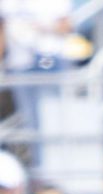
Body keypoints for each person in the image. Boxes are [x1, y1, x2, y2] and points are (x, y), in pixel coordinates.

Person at [0, 0, 71, 170]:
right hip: (20, 64)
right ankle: (41, 170)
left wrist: (40, 28)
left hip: (49, 61)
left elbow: (66, 27)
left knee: (54, 122)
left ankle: (56, 171)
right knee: (31, 124)